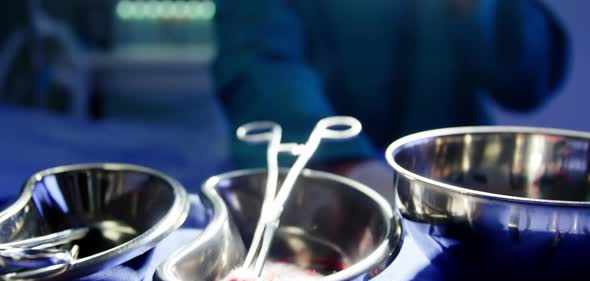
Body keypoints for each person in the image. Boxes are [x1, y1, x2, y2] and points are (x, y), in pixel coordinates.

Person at [211, 0, 569, 198]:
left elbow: (528, 78)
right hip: (314, 196)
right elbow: (258, 64)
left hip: (458, 195)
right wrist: (348, 166)